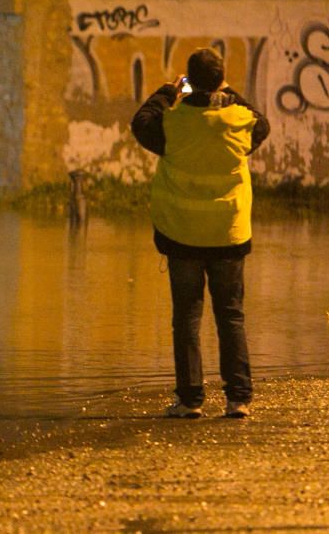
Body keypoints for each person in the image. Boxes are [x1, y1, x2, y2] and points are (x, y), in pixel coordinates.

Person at [131, 47, 270, 419]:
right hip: (228, 233)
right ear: (221, 80)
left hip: (183, 234)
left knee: (187, 319)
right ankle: (238, 398)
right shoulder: (240, 121)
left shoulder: (173, 123)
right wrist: (226, 92)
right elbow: (263, 123)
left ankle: (190, 400)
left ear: (191, 81)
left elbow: (141, 122)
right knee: (231, 316)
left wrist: (167, 91)